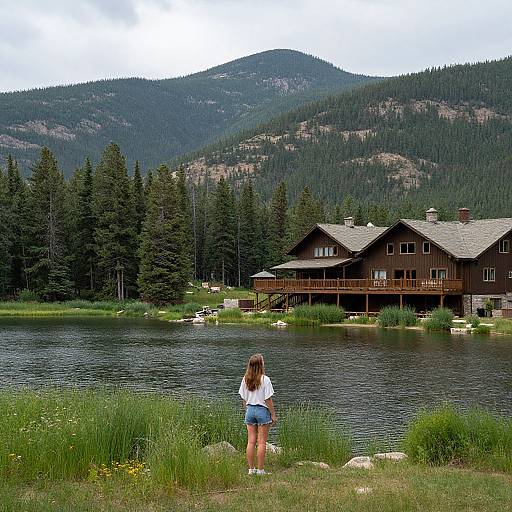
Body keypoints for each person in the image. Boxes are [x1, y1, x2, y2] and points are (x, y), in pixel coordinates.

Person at [238, 353, 277, 475]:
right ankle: (260, 470)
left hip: (250, 410)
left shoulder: (245, 379)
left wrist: (247, 410)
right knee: (261, 443)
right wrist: (273, 415)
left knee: (250, 442)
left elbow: (243, 399)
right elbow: (268, 400)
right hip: (262, 410)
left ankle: (251, 469)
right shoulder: (265, 379)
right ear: (261, 365)